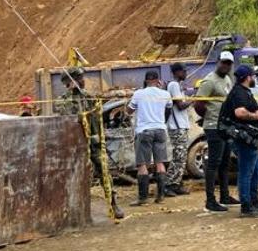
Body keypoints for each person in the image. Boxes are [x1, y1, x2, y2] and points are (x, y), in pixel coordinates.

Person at [55, 69, 124, 219]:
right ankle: (74, 210)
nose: (82, 80)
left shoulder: (88, 97)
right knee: (75, 175)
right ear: (69, 82)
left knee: (105, 172)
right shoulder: (62, 100)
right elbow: (66, 115)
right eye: (79, 78)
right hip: (74, 145)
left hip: (93, 142)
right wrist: (72, 96)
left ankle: (113, 204)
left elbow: (97, 116)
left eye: (81, 77)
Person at [221, 64, 258, 218]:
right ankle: (246, 206)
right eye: (253, 76)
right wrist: (257, 116)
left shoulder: (244, 92)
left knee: (256, 169)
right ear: (248, 77)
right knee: (246, 172)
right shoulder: (239, 93)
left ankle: (254, 200)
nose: (254, 78)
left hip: (250, 138)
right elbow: (240, 112)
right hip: (244, 138)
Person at [194, 52, 239, 212]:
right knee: (213, 163)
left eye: (228, 63)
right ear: (217, 62)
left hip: (224, 126)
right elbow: (198, 104)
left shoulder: (227, 79)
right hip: (213, 126)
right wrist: (210, 116)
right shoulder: (209, 81)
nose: (225, 66)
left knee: (225, 162)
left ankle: (225, 196)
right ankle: (210, 200)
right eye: (223, 63)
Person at [127, 70, 173, 205]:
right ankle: (161, 196)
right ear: (158, 80)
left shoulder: (138, 94)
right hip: (160, 130)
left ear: (146, 80)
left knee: (142, 164)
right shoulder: (165, 94)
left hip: (144, 130)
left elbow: (129, 110)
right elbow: (169, 108)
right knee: (160, 163)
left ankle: (143, 198)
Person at [164, 62, 192, 197]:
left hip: (182, 125)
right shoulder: (173, 85)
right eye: (184, 71)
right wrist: (193, 100)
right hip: (177, 126)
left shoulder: (178, 85)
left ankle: (177, 183)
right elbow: (180, 105)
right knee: (178, 156)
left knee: (181, 157)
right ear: (177, 72)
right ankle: (168, 184)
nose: (185, 73)